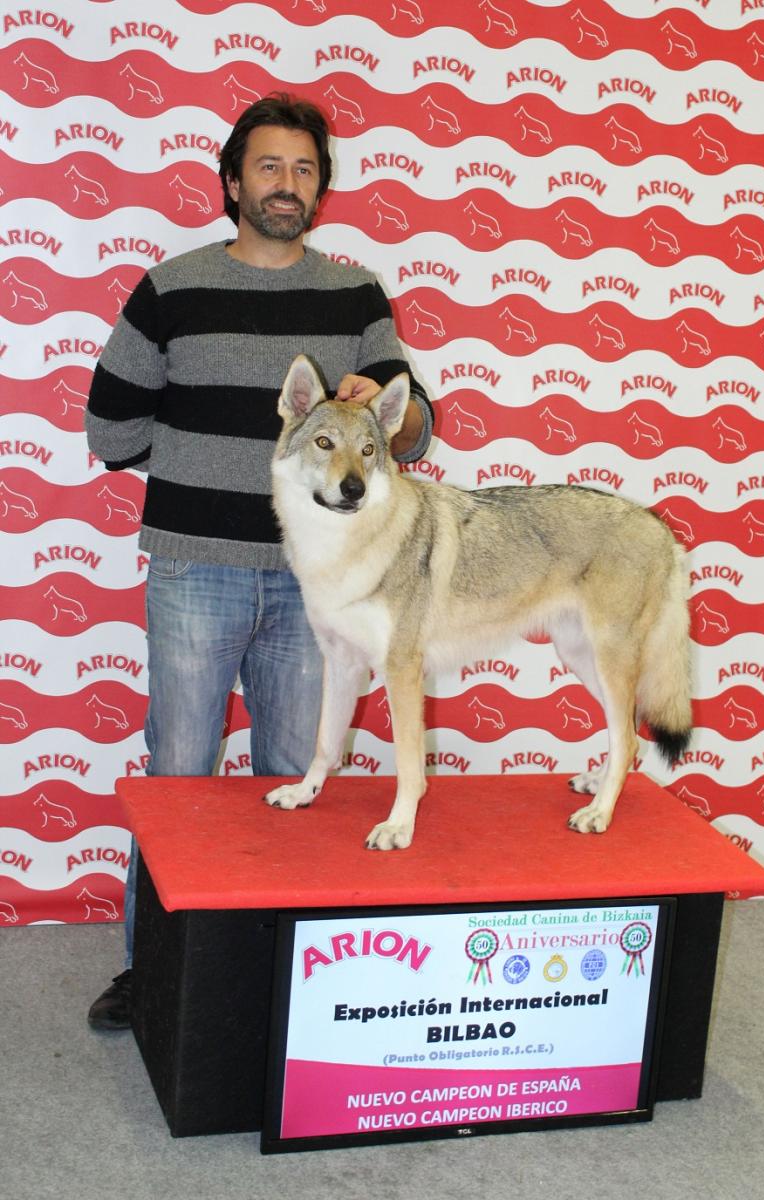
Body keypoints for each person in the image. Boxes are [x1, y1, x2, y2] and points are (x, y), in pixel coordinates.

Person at [84, 94, 433, 1029]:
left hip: (324, 584)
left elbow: (419, 431)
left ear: (323, 187)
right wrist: (198, 459)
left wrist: (376, 405)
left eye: (306, 169)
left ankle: (291, 974)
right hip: (196, 566)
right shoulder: (170, 286)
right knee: (181, 778)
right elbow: (107, 430)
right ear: (234, 181)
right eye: (269, 168)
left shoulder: (357, 293)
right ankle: (151, 972)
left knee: (300, 769)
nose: (288, 185)